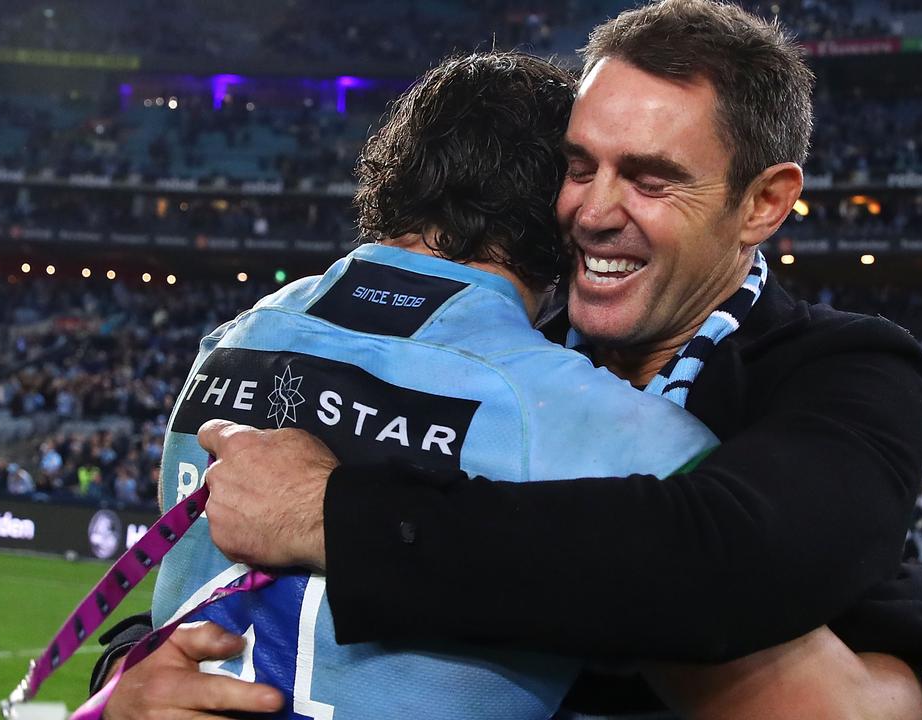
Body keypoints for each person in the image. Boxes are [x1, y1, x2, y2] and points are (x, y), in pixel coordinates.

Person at [96, 0, 922, 715]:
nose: (591, 211)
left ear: (762, 201)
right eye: (577, 165)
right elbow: (211, 579)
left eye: (649, 179)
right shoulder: (495, 345)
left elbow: (721, 559)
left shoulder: (840, 370)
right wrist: (132, 671)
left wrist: (338, 518)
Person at [107, 51, 723, 719]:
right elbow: (742, 587)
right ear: (564, 205)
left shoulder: (228, 344)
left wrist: (116, 668)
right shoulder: (589, 420)